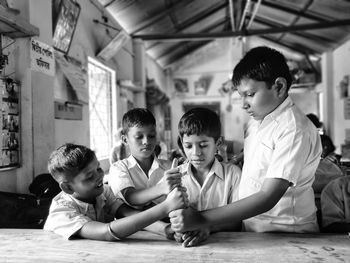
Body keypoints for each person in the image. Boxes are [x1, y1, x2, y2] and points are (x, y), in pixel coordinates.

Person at [169, 46, 322, 235]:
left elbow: (268, 196)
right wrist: (240, 160)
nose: (243, 104)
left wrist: (201, 219)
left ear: (279, 87)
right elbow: (261, 157)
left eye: (250, 94)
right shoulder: (256, 121)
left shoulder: (294, 130)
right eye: (240, 95)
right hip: (251, 227)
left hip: (285, 231)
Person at [44, 143, 187, 240]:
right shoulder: (62, 211)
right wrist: (166, 206)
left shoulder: (103, 192)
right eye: (89, 176)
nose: (99, 176)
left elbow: (129, 214)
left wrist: (166, 230)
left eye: (98, 168)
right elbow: (107, 232)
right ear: (68, 188)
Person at [168, 107, 241, 247]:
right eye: (188, 146)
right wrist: (176, 230)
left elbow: (237, 221)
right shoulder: (175, 176)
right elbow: (166, 216)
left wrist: (208, 227)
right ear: (181, 145)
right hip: (184, 248)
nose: (196, 153)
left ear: (218, 143)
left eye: (203, 145)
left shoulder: (233, 174)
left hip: (226, 247)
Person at [108, 108, 183, 210]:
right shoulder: (119, 168)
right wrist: (162, 187)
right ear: (125, 140)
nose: (146, 141)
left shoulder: (169, 167)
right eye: (139, 137)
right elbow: (131, 197)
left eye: (151, 136)